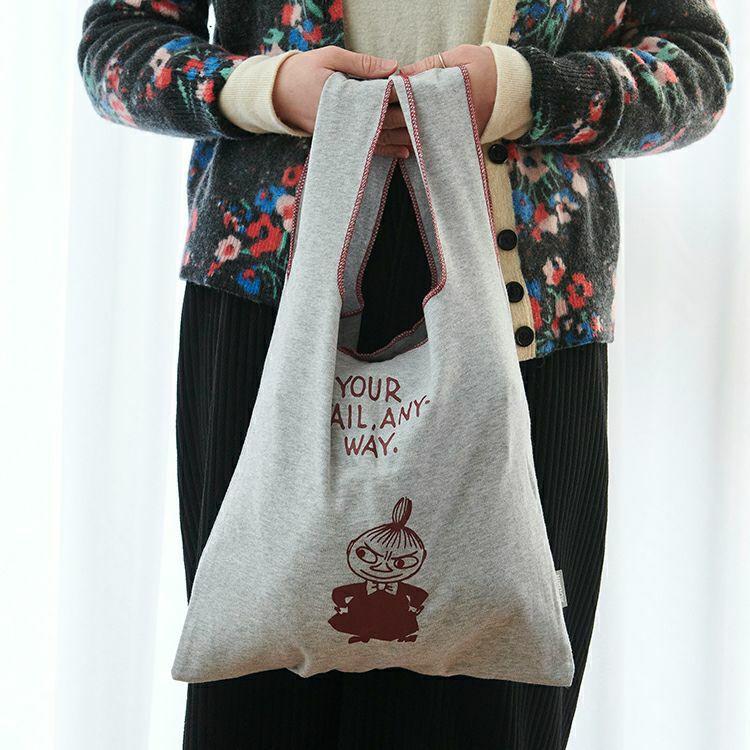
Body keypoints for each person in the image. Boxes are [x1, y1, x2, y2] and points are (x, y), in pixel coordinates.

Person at [77, 1, 733, 747]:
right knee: (257, 703)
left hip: (527, 322)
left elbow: (697, 71)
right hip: (267, 307)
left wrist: (524, 91)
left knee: (496, 712)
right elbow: (116, 48)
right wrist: (268, 89)